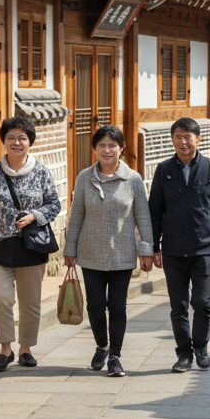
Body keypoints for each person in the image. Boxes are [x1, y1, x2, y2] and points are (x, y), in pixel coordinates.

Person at [0, 117, 62, 373]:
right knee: (0, 298)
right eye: (11, 137)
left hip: (31, 246)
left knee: (30, 301)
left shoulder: (41, 171)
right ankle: (5, 349)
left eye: (22, 138)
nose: (17, 143)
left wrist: (34, 216)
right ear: (3, 141)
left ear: (30, 142)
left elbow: (54, 204)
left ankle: (26, 349)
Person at [63, 125, 154, 377]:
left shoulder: (133, 179)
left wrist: (146, 249)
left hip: (122, 253)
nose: (107, 150)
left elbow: (143, 217)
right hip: (90, 253)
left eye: (112, 145)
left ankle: (115, 356)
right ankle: (101, 345)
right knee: (94, 305)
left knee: (117, 306)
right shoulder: (84, 177)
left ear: (121, 148)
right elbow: (76, 216)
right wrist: (70, 250)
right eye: (101, 145)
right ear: (94, 149)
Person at [148, 117, 210, 372]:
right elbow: (155, 211)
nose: (183, 142)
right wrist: (154, 246)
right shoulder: (164, 170)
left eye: (188, 136)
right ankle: (184, 354)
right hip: (173, 250)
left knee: (203, 303)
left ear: (198, 139)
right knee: (179, 305)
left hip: (204, 248)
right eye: (178, 136)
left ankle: (201, 348)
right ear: (172, 139)